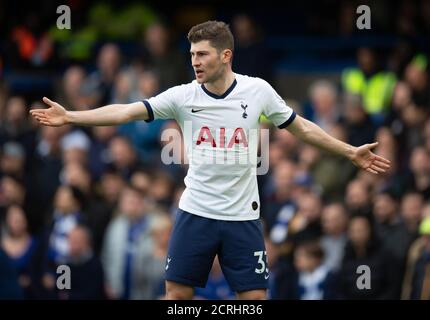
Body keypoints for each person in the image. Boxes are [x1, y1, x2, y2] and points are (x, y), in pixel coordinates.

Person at [30, 20, 391, 300]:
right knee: (177, 295)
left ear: (225, 55)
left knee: (252, 298)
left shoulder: (258, 91)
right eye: (191, 55)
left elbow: (301, 129)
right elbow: (126, 111)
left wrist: (348, 150)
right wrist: (72, 116)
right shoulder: (183, 95)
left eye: (202, 54)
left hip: (242, 217)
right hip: (195, 213)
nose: (195, 62)